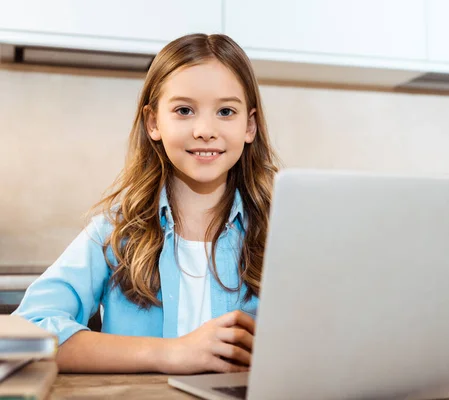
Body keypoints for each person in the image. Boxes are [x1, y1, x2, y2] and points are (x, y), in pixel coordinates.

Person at [13, 33, 280, 374]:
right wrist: (171, 353)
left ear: (250, 125)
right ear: (154, 122)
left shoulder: (280, 234)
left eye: (226, 111)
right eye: (184, 110)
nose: (205, 129)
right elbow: (27, 332)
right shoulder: (114, 233)